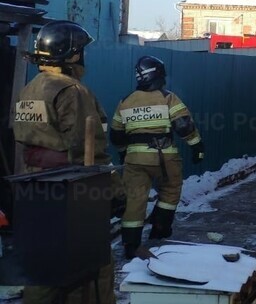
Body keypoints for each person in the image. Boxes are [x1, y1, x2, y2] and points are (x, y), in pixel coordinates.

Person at [13, 20, 116, 304]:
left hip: (33, 187)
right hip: (72, 191)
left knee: (43, 267)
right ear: (71, 55)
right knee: (96, 267)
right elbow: (89, 149)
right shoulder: (72, 90)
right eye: (81, 51)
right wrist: (111, 192)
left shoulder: (30, 88)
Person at [110, 56, 204, 259]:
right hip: (164, 158)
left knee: (134, 199)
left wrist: (123, 152)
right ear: (158, 75)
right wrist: (196, 146)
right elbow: (183, 126)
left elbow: (116, 133)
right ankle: (159, 233)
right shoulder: (167, 97)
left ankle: (130, 245)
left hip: (134, 160)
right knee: (170, 191)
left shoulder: (125, 101)